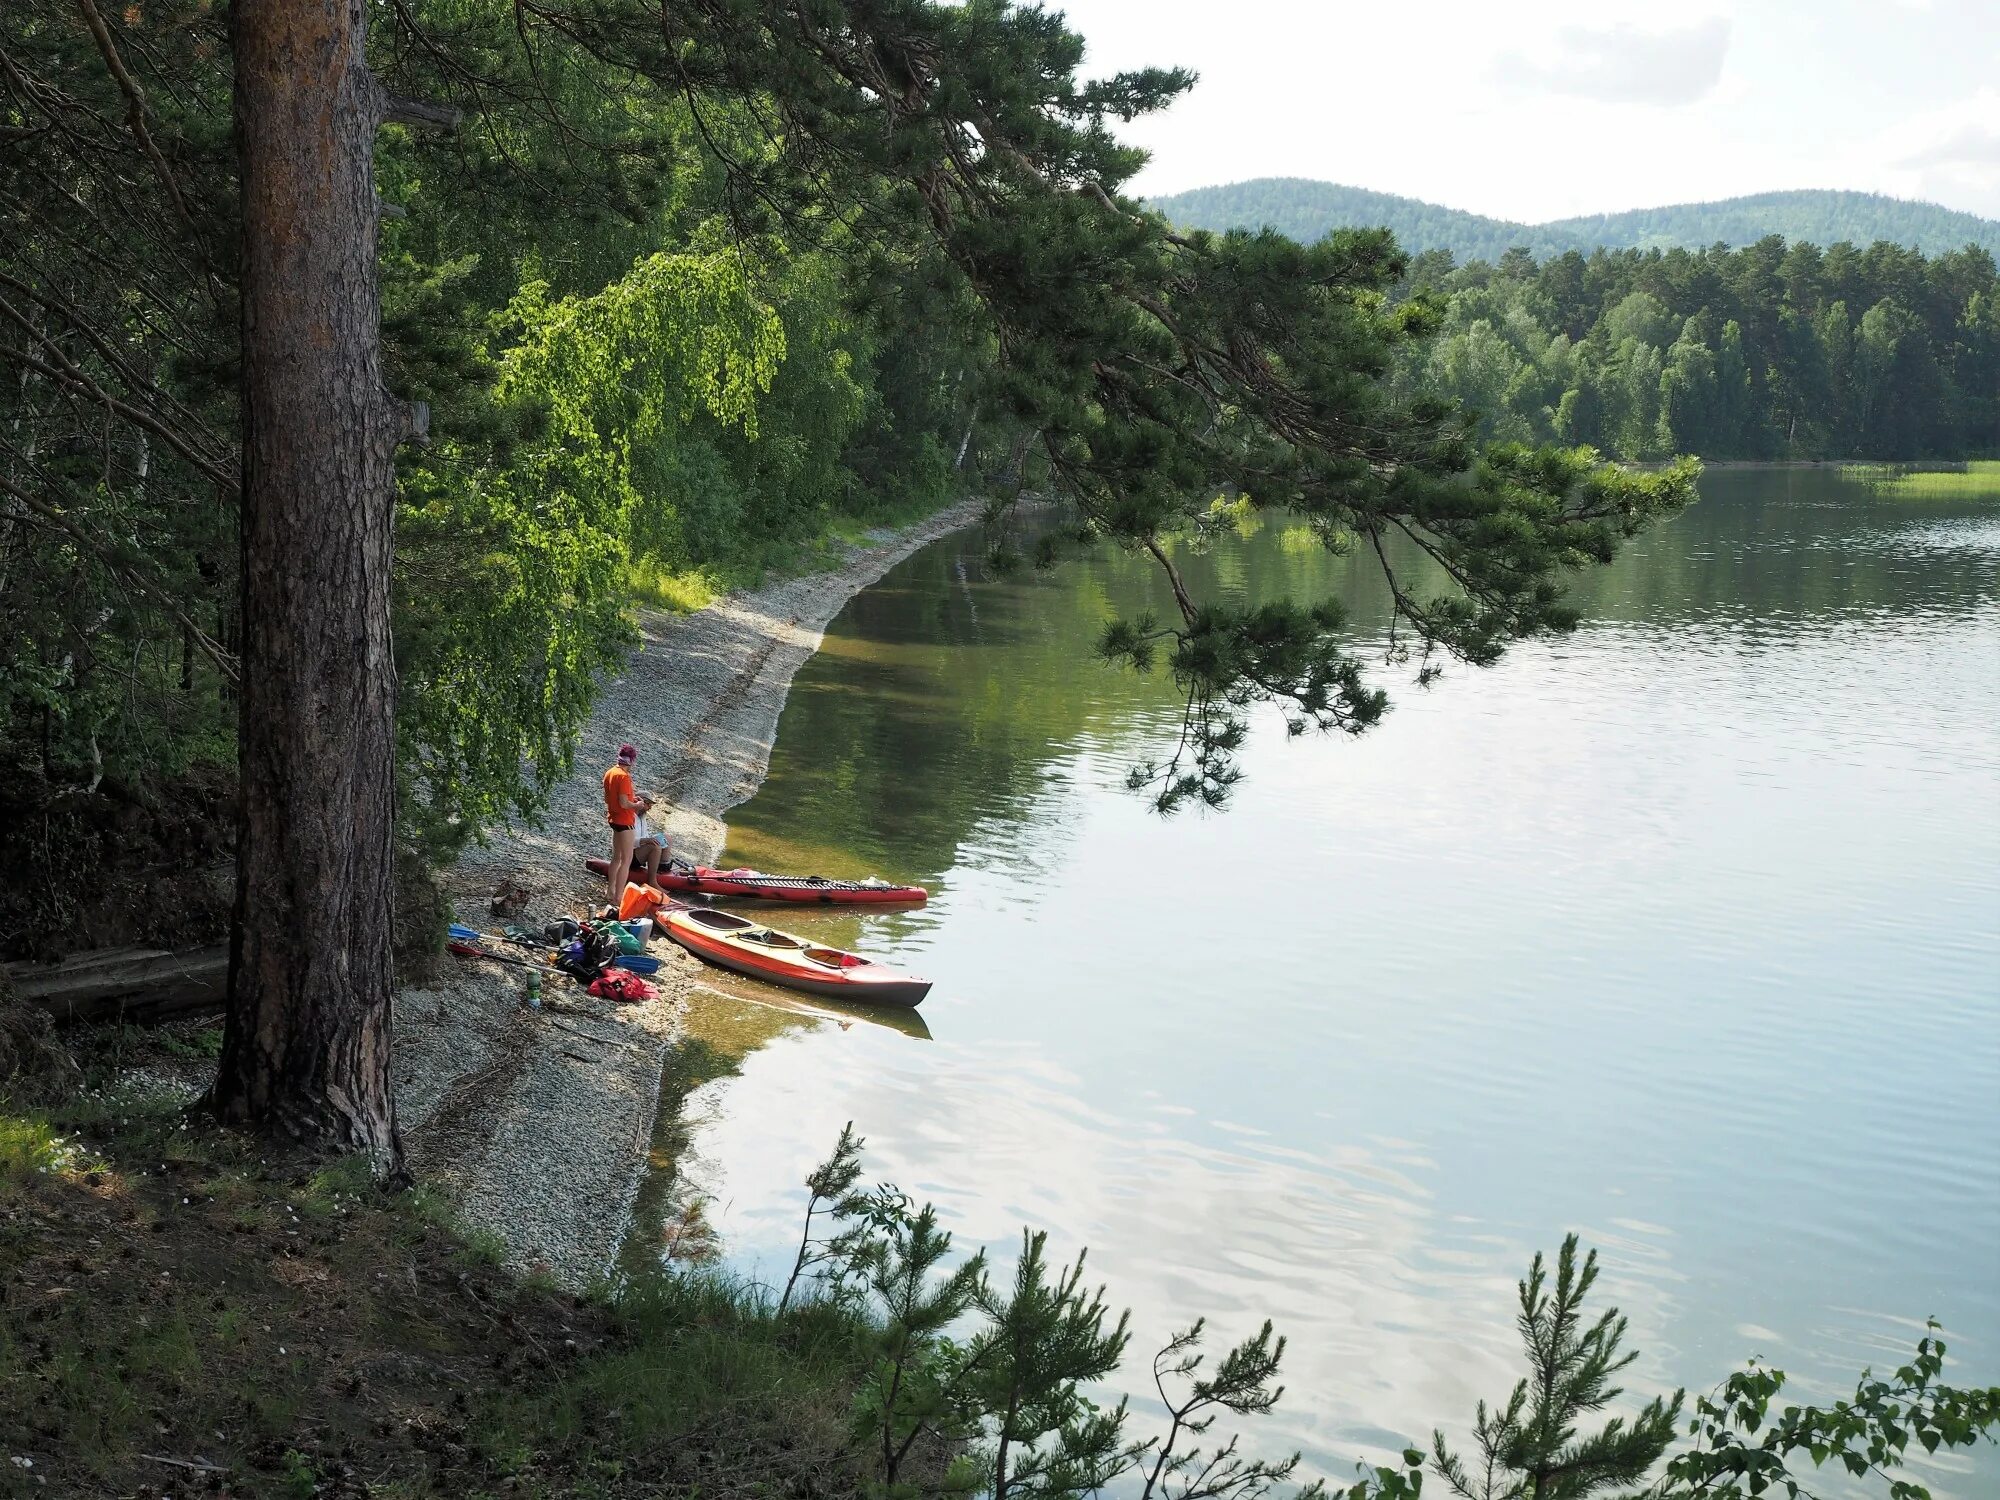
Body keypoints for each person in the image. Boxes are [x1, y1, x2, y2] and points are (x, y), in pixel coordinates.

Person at [602, 743, 652, 903]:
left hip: (614, 819)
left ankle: (610, 891)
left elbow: (611, 798)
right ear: (631, 761)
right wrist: (637, 805)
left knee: (616, 857)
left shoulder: (610, 772)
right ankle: (618, 896)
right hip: (624, 821)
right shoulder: (623, 777)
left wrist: (633, 799)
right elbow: (624, 803)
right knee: (626, 859)